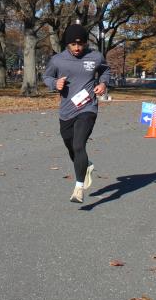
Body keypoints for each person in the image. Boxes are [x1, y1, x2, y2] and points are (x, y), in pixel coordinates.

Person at [43, 23, 111, 204]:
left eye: (80, 44)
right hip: (66, 111)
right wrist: (54, 84)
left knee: (79, 144)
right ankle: (85, 165)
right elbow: (47, 77)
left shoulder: (95, 57)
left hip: (87, 108)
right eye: (73, 44)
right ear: (67, 44)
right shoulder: (57, 60)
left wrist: (103, 84)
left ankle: (79, 188)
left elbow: (105, 70)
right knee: (71, 146)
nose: (77, 48)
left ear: (86, 43)